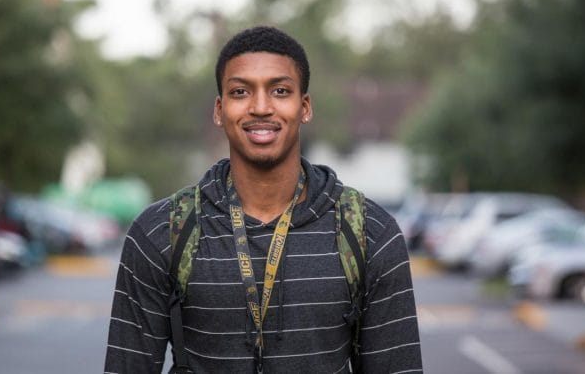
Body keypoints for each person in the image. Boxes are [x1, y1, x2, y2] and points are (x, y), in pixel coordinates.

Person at [104, 26, 423, 373]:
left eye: (280, 90)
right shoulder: (161, 232)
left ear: (304, 107)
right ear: (219, 109)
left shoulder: (370, 233)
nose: (260, 107)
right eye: (241, 91)